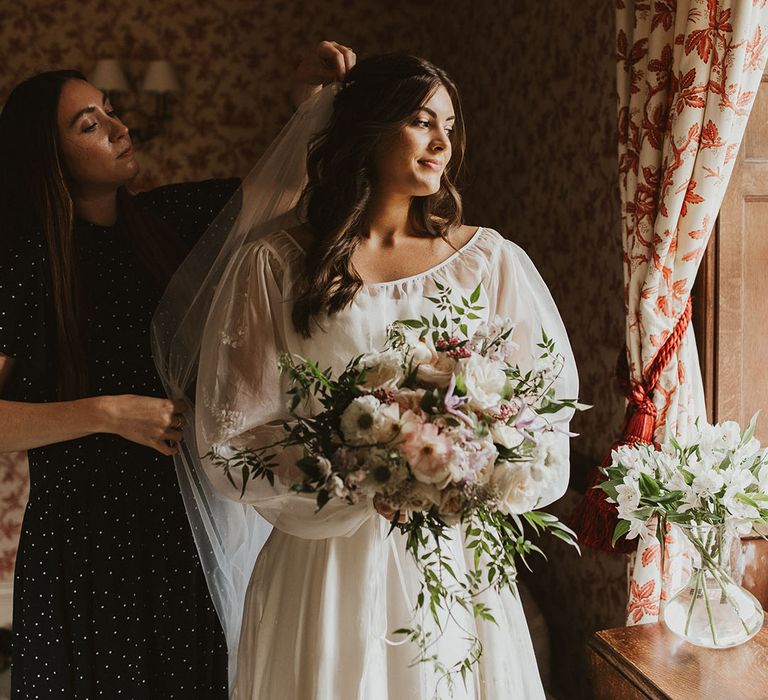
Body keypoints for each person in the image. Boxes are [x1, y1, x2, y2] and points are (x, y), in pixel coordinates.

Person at [185, 54, 578, 699]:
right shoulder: (276, 266)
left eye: (449, 124)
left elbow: (545, 410)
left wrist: (466, 465)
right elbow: (234, 435)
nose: (444, 143)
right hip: (325, 565)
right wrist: (362, 465)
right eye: (422, 121)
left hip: (450, 565)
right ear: (369, 129)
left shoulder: (489, 262)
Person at [0, 40, 356, 699]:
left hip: (187, 528)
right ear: (47, 158)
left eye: (109, 110)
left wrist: (312, 103)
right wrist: (106, 413)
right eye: (89, 124)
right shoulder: (22, 267)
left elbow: (280, 186)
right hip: (82, 547)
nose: (118, 126)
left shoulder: (168, 222)